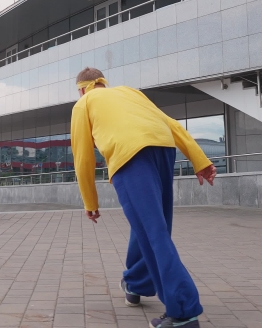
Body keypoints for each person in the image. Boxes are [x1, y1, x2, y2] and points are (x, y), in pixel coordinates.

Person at [70, 67, 217, 328]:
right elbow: (172, 125)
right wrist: (200, 160)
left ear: (82, 89)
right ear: (103, 83)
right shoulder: (129, 92)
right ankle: (136, 283)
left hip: (129, 155)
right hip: (162, 148)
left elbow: (83, 157)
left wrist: (90, 202)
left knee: (153, 232)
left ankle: (183, 312)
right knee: (152, 226)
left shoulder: (84, 104)